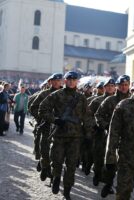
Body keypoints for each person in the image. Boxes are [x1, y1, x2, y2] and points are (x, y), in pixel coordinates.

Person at [39, 71, 93, 200]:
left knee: (71, 166)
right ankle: (56, 177)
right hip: (59, 136)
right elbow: (42, 108)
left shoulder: (81, 98)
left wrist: (88, 135)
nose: (71, 81)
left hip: (75, 138)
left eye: (74, 79)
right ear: (65, 81)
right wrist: (55, 119)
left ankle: (67, 190)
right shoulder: (56, 95)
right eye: (69, 79)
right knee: (56, 161)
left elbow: (87, 117)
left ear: (77, 82)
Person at [94, 74, 131, 197]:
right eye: (121, 85)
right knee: (110, 163)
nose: (124, 87)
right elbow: (98, 115)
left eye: (126, 85)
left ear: (129, 85)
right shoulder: (110, 100)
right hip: (111, 136)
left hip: (128, 139)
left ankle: (119, 188)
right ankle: (108, 182)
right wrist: (105, 126)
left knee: (125, 166)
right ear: (117, 87)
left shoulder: (133, 100)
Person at [30, 73, 63, 181]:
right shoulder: (44, 94)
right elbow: (33, 107)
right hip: (46, 126)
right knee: (44, 149)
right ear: (50, 82)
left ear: (61, 82)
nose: (56, 82)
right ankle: (45, 166)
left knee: (57, 153)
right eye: (54, 80)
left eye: (58, 81)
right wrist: (42, 119)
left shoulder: (65, 94)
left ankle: (52, 172)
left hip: (60, 128)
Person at [88, 78, 115, 186]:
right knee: (99, 156)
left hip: (113, 134)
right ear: (104, 88)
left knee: (112, 159)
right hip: (99, 133)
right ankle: (97, 174)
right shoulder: (97, 101)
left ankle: (108, 182)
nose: (110, 88)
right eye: (108, 86)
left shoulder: (119, 100)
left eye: (112, 86)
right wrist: (95, 126)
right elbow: (89, 115)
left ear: (115, 87)